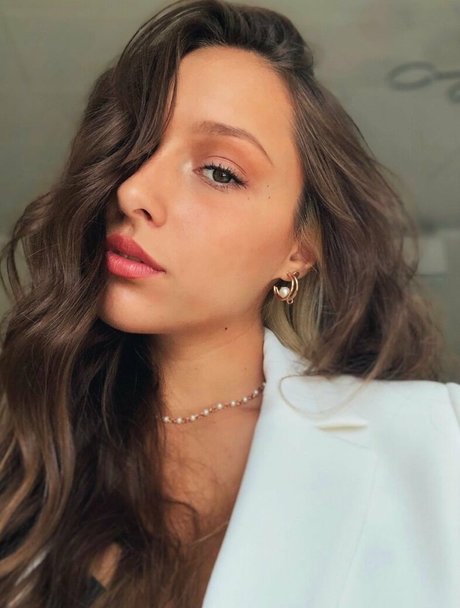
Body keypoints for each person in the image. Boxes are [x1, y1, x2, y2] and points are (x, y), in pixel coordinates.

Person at [0, 0, 459, 606]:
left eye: (219, 172)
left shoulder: (438, 443)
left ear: (298, 250)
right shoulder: (26, 432)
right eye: (133, 148)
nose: (132, 191)